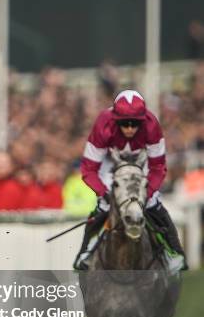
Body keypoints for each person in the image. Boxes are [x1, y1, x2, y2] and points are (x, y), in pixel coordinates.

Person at [73, 89, 187, 270]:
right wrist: (104, 193)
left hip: (142, 167)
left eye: (135, 124)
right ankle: (86, 252)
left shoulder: (151, 126)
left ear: (143, 121)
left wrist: (147, 193)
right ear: (115, 119)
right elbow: (89, 169)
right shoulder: (103, 124)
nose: (129, 129)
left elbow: (158, 167)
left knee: (152, 204)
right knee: (104, 206)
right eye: (124, 124)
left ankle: (173, 252)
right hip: (110, 166)